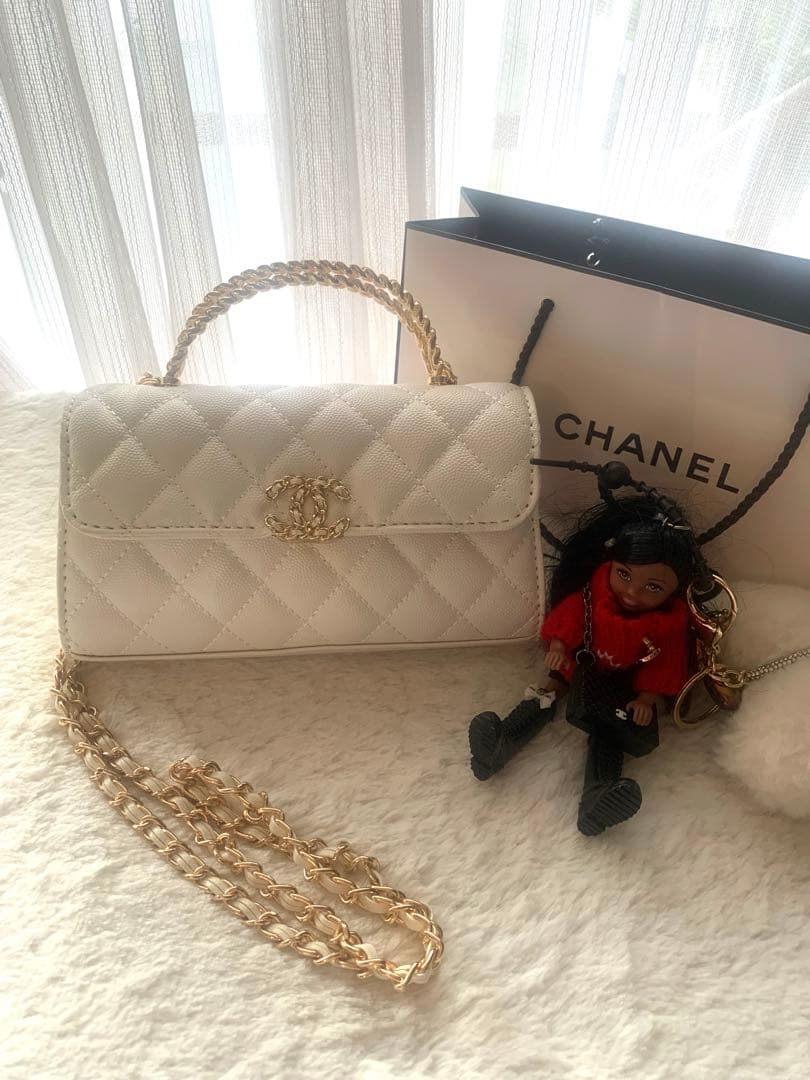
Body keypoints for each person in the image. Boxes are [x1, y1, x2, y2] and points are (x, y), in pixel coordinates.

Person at [468, 461, 710, 835]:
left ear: (674, 590)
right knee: (547, 693)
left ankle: (601, 794)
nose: (631, 592)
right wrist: (559, 644)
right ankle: (501, 741)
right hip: (580, 663)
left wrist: (646, 698)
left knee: (607, 732)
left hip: (622, 685)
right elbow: (570, 618)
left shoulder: (669, 624)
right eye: (624, 574)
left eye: (653, 587)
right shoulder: (592, 594)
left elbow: (666, 663)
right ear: (611, 564)